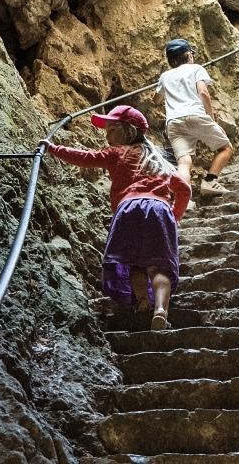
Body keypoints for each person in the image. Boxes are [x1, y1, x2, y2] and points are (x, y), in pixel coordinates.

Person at [42, 104, 191, 330]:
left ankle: (142, 302)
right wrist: (173, 215)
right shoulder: (160, 162)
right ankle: (161, 310)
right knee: (158, 266)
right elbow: (184, 190)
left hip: (129, 209)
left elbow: (85, 158)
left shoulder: (116, 153)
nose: (107, 134)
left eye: (112, 129)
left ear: (127, 130)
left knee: (134, 264)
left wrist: (53, 148)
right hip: (159, 210)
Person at [156, 38, 234, 197]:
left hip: (174, 122)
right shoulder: (196, 69)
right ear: (189, 55)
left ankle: (184, 199)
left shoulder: (165, 76)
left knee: (183, 162)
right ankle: (210, 182)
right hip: (195, 114)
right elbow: (203, 92)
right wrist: (210, 117)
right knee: (226, 149)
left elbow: (156, 100)